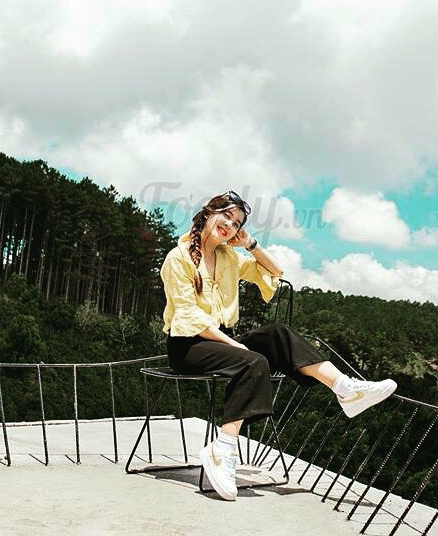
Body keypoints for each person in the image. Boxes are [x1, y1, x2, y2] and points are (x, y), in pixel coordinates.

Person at [160, 190, 397, 500]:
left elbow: (275, 272)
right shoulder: (177, 258)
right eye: (226, 216)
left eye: (237, 223)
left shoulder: (229, 257)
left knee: (278, 333)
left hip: (221, 339)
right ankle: (223, 449)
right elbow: (191, 318)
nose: (229, 226)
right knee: (252, 360)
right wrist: (236, 347)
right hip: (187, 345)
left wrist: (250, 244)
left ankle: (345, 389)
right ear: (208, 213)